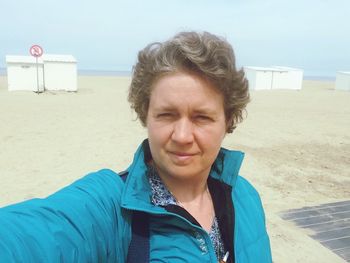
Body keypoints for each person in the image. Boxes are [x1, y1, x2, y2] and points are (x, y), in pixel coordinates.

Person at [0, 31, 272, 262]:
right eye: (166, 114)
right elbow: (33, 234)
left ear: (228, 121)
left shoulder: (245, 196)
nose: (182, 135)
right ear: (146, 116)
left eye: (202, 117)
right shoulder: (110, 207)